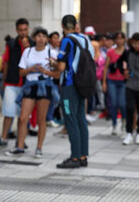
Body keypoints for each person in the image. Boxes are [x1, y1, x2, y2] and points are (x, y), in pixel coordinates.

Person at [52, 15, 94, 168]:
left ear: (62, 26)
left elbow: (62, 67)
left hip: (69, 85)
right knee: (81, 119)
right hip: (83, 85)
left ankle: (75, 157)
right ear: (75, 25)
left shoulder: (66, 41)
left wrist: (54, 63)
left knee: (70, 120)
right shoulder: (85, 39)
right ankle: (83, 156)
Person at [13, 27, 59, 158]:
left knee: (41, 119)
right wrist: (31, 69)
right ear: (34, 38)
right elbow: (21, 72)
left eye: (44, 36)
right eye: (38, 36)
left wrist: (45, 71)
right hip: (30, 85)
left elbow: (58, 75)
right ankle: (20, 147)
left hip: (45, 85)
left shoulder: (52, 53)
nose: (41, 39)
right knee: (23, 118)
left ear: (47, 39)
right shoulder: (28, 52)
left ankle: (39, 148)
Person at [0, 18, 33, 150]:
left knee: (24, 115)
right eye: (20, 30)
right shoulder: (10, 43)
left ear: (28, 29)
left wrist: (28, 49)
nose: (23, 32)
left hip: (26, 84)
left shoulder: (33, 44)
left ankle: (21, 140)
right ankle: (4, 138)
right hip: (11, 82)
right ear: (17, 30)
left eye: (25, 29)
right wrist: (3, 81)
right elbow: (6, 62)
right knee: (8, 112)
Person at [102, 31, 127, 135]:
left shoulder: (127, 52)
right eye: (117, 38)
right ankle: (114, 124)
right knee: (113, 104)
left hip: (123, 82)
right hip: (112, 81)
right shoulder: (110, 52)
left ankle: (124, 122)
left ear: (124, 39)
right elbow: (106, 67)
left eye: (121, 38)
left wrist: (131, 76)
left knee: (122, 104)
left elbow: (132, 68)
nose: (119, 40)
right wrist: (104, 82)